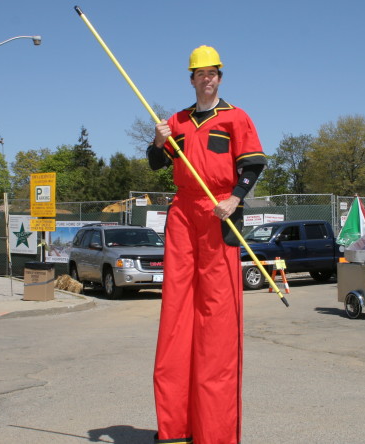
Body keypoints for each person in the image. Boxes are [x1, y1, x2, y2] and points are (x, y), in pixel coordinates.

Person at [147, 45, 266, 444]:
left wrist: (235, 198)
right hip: (183, 212)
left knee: (216, 319)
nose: (207, 78)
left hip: (220, 212)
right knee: (177, 315)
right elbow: (155, 162)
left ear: (220, 77)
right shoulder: (176, 120)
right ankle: (176, 430)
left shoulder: (236, 117)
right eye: (200, 73)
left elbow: (252, 166)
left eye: (213, 72)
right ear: (192, 78)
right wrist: (158, 140)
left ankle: (214, 433)